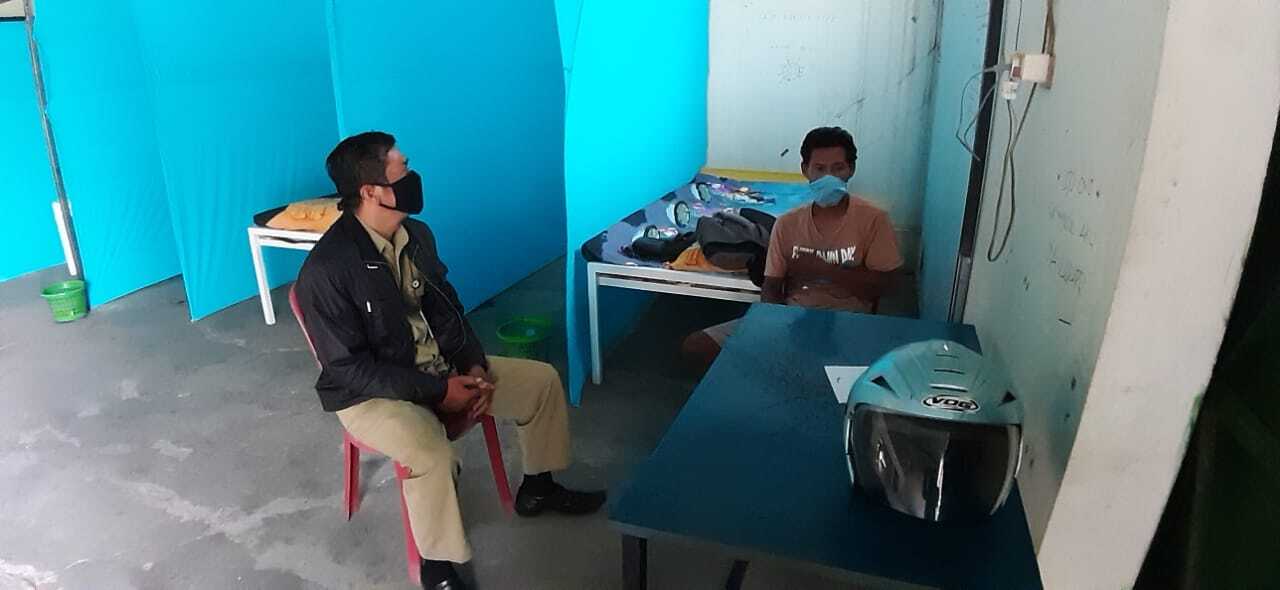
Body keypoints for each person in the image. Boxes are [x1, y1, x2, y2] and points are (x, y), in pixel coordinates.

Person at [295, 131, 604, 590]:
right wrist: (438, 392)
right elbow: (347, 369)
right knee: (431, 451)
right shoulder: (328, 269)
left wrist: (473, 364)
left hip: (438, 368)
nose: (412, 175)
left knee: (540, 382)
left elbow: (447, 308)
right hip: (371, 393)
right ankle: (436, 565)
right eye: (402, 168)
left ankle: (538, 488)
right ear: (372, 191)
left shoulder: (417, 236)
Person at [682, 126, 903, 373]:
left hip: (847, 321)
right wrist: (780, 323)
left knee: (819, 370)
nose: (829, 177)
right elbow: (771, 286)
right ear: (805, 170)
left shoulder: (873, 220)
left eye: (838, 168)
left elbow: (889, 286)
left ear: (851, 169)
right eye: (819, 169)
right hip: (793, 318)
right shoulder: (787, 224)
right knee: (697, 346)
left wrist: (824, 270)